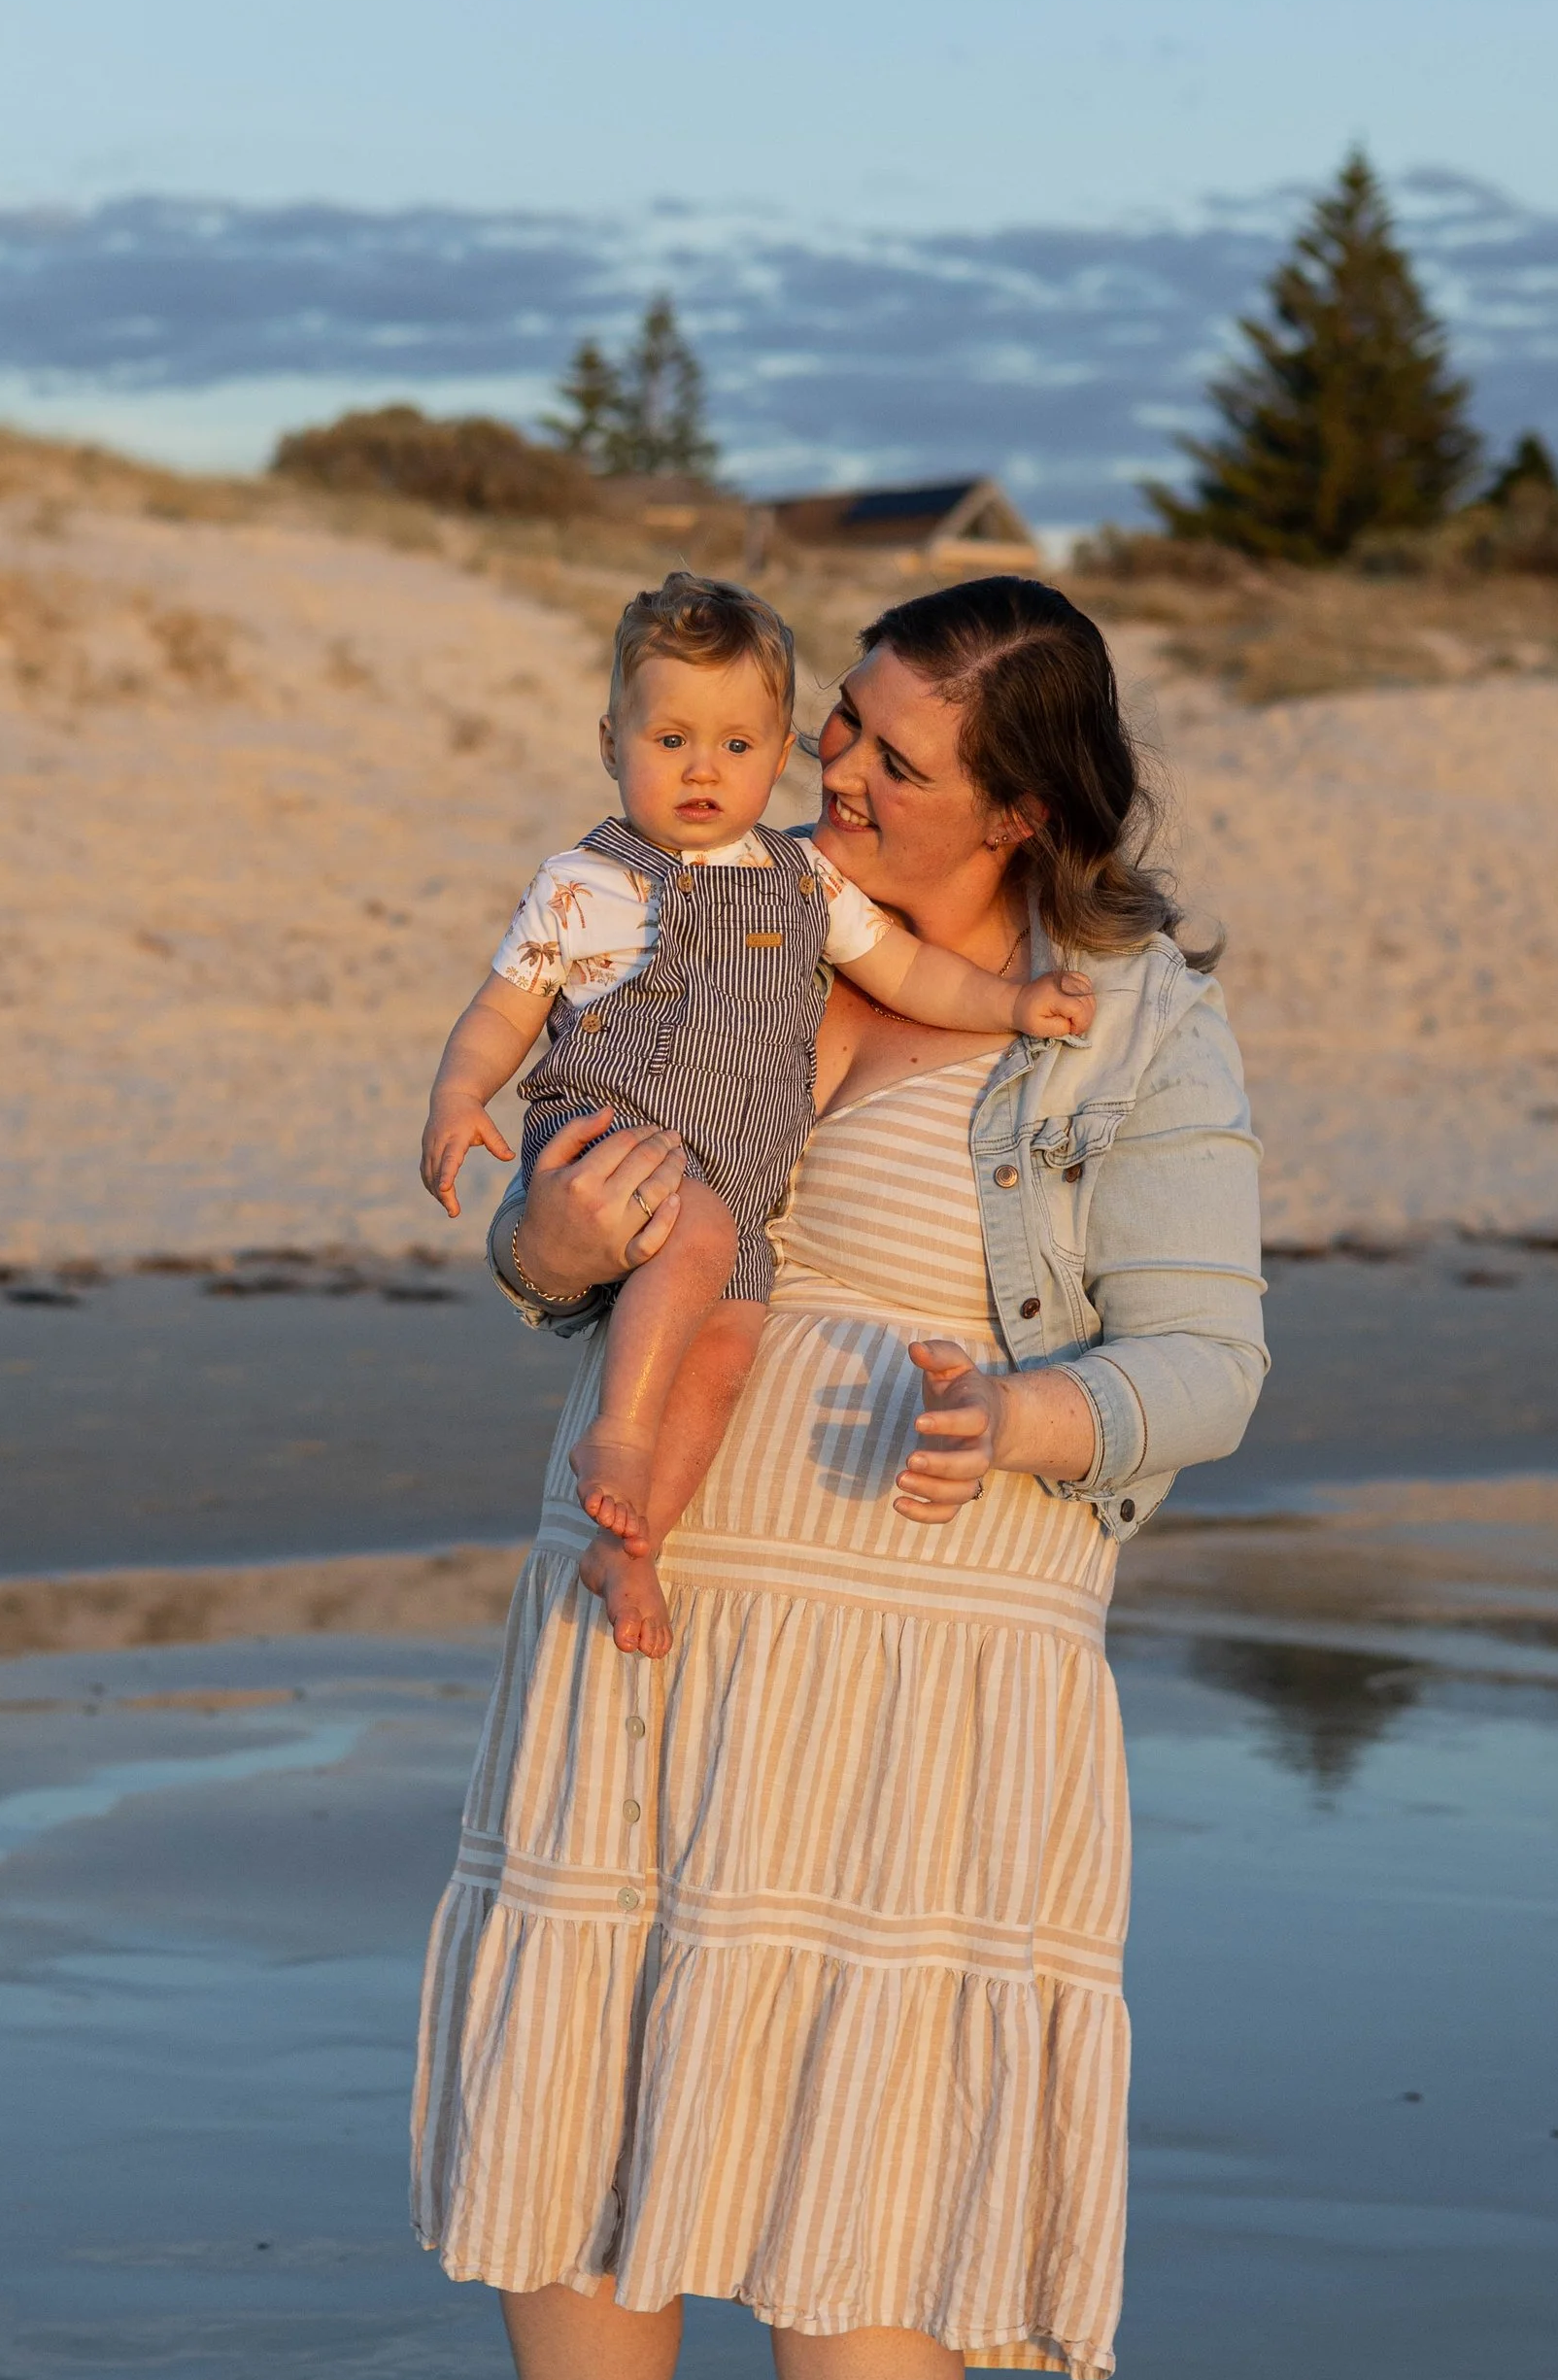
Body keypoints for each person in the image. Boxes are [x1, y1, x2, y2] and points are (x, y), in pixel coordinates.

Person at [389, 576, 1267, 2380]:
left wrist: (1038, 1420)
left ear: (1025, 799)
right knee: (588, 2063)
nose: (829, 769)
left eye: (888, 751)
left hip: (926, 1634)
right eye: (839, 727)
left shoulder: (1130, 1013)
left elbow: (1210, 1356)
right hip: (650, 1580)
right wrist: (548, 1244)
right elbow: (555, 1243)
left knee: (862, 2127)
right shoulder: (710, 899)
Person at [421, 572, 1090, 1652]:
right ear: (610, 741)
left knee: (728, 1344)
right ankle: (620, 1442)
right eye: (671, 739)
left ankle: (634, 1546)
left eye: (737, 747)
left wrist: (1014, 1004)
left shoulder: (805, 880)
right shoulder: (583, 881)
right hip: (610, 1136)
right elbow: (506, 1006)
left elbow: (913, 974)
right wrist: (460, 1097)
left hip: (728, 1178)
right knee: (697, 1237)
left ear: (776, 753)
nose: (701, 770)